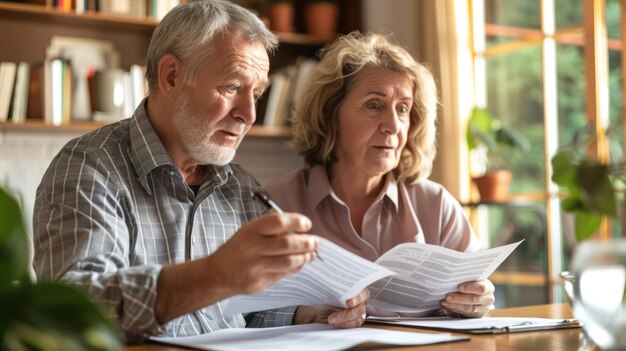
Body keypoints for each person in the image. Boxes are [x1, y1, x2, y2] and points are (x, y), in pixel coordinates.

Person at [32, 0, 368, 342]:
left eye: (258, 93)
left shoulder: (239, 186)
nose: (249, 114)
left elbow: (247, 309)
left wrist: (308, 312)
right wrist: (213, 275)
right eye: (233, 87)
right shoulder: (89, 168)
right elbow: (75, 311)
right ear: (171, 76)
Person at [264, 32, 495, 318]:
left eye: (403, 109)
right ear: (330, 115)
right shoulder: (276, 204)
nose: (393, 125)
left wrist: (477, 301)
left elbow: (478, 298)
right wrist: (304, 313)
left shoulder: (436, 205)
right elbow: (249, 313)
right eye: (374, 105)